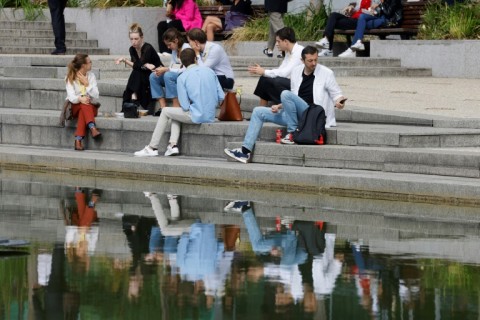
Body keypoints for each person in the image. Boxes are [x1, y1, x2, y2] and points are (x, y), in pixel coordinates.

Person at [224, 46, 347, 164]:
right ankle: (245, 152)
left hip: (312, 116)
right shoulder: (296, 72)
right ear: (302, 60)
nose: (314, 63)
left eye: (315, 60)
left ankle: (292, 133)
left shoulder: (326, 73)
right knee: (258, 111)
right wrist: (279, 106)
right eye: (310, 60)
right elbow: (294, 96)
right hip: (296, 116)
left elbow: (337, 94)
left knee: (285, 93)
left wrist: (339, 101)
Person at [134, 48, 224, 157]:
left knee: (166, 111)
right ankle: (172, 145)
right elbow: (221, 96)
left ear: (181, 63)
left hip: (196, 115)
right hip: (210, 115)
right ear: (195, 59)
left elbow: (185, 106)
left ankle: (152, 147)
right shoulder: (210, 71)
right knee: (175, 113)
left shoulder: (182, 77)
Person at [248, 27, 304, 106]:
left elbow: (285, 73)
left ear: (286, 41)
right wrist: (264, 73)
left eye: (278, 41)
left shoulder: (299, 52)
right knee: (264, 79)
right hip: (290, 83)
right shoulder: (288, 52)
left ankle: (286, 105)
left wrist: (264, 71)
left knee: (276, 80)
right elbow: (281, 69)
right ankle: (260, 111)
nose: (276, 44)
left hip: (299, 87)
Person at [114, 23, 162, 112]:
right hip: (142, 73)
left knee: (137, 72)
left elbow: (137, 64)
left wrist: (125, 60)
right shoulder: (132, 49)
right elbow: (138, 66)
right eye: (131, 39)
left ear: (142, 37)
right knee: (137, 72)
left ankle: (132, 98)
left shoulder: (148, 48)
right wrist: (145, 65)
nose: (133, 42)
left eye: (136, 39)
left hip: (156, 73)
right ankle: (134, 97)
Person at [339, 0, 403, 58]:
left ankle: (352, 50)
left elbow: (388, 12)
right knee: (362, 17)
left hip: (390, 21)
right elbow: (380, 12)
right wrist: (372, 11)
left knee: (361, 24)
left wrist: (380, 5)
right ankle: (357, 43)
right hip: (381, 19)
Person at [65, 54, 101, 151]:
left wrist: (87, 84)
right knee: (83, 102)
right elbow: (71, 97)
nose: (91, 63)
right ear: (83, 65)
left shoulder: (91, 76)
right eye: (89, 62)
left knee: (84, 108)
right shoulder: (70, 77)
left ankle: (78, 140)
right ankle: (92, 128)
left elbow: (96, 95)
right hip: (75, 107)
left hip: (90, 107)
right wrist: (80, 98)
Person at [150, 28, 191, 112]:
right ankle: (163, 107)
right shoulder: (175, 50)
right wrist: (162, 69)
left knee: (168, 75)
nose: (168, 47)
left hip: (186, 75)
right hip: (177, 74)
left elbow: (186, 68)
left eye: (169, 44)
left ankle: (176, 105)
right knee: (153, 76)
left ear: (176, 40)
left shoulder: (187, 48)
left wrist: (167, 69)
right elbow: (172, 66)